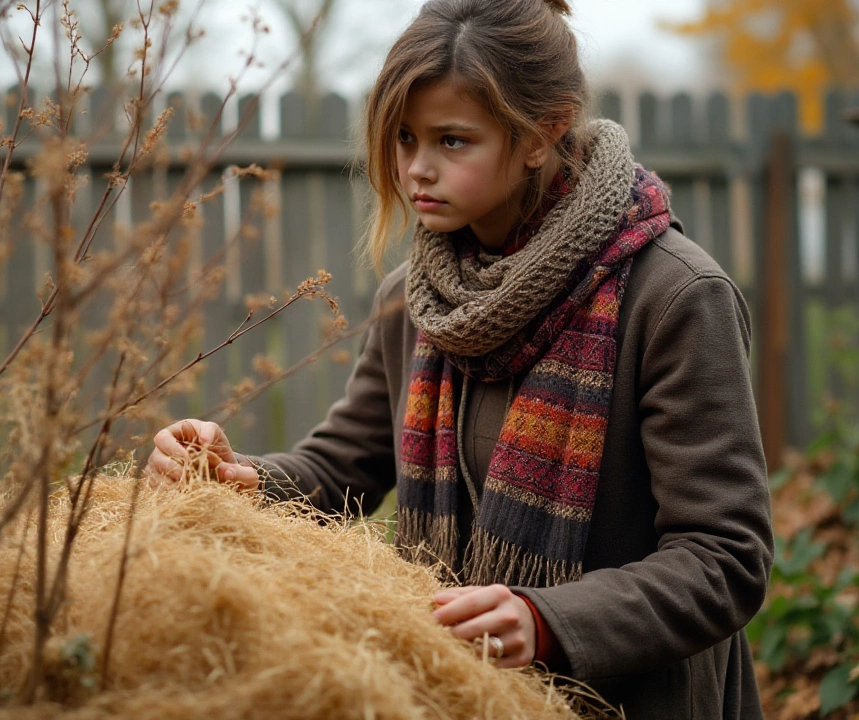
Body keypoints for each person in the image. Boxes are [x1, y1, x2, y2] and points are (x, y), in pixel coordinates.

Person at [147, 1, 774, 717]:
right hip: (459, 694)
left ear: (544, 131)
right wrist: (239, 477)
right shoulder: (415, 301)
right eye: (406, 138)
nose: (417, 169)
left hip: (630, 701)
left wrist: (550, 621)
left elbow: (725, 557)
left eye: (452, 141)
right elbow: (341, 468)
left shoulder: (675, 297)